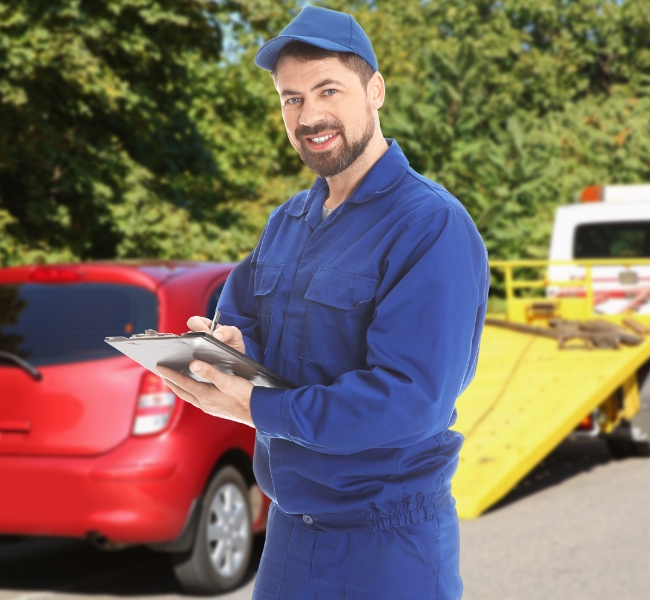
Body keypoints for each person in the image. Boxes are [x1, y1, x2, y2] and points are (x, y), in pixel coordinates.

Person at [156, 6, 488, 599]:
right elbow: (252, 329)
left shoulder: (429, 226)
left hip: (389, 546)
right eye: (290, 98)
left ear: (376, 91)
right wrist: (229, 352)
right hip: (290, 537)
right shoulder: (288, 222)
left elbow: (411, 401)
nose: (309, 116)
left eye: (327, 90)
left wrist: (258, 408)